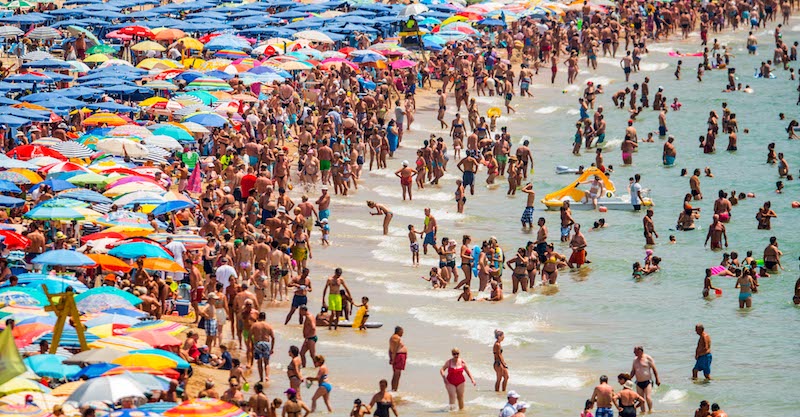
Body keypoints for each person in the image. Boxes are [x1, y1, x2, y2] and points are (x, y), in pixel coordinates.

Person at [629, 346, 660, 413]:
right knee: (641, 399)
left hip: (647, 382)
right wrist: (628, 379)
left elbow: (654, 369)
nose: (634, 353)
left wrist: (657, 379)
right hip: (638, 382)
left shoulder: (648, 358)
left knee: (648, 397)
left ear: (640, 351)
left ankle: (650, 410)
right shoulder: (635, 360)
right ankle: (643, 412)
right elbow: (633, 371)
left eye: (635, 351)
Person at [388, 326, 407, 391]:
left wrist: (391, 357)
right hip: (399, 356)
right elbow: (394, 349)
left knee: (396, 374)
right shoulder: (396, 338)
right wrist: (393, 359)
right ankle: (394, 390)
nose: (403, 333)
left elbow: (390, 349)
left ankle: (394, 389)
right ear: (399, 331)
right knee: (397, 374)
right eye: (402, 332)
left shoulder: (392, 338)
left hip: (397, 356)